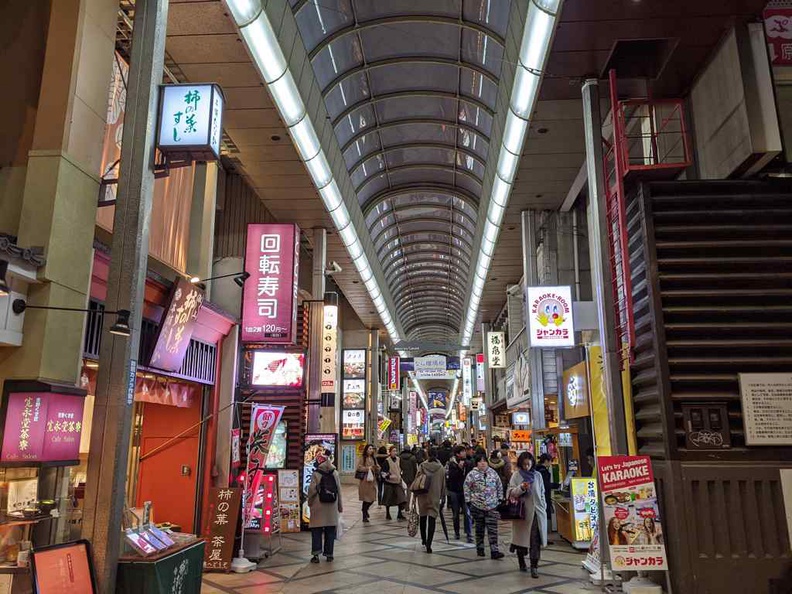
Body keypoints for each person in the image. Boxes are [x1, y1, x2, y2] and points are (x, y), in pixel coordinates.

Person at [507, 452, 547, 578]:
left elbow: (542, 492)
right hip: (522, 513)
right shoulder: (516, 475)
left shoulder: (538, 475)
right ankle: (521, 560)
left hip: (537, 512)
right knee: (522, 540)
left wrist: (543, 506)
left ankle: (534, 566)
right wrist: (521, 488)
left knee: (535, 540)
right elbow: (510, 492)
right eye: (524, 464)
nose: (526, 467)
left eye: (528, 464)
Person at [464, 453, 504, 559]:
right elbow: (466, 487)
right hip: (477, 505)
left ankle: (494, 550)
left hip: (492, 505)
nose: (482, 463)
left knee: (493, 529)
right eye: (480, 461)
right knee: (479, 528)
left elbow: (499, 485)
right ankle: (480, 548)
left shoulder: (493, 473)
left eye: (484, 461)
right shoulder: (472, 474)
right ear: (476, 463)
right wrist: (468, 501)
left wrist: (500, 498)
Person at [307, 450, 343, 563]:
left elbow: (312, 490)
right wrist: (340, 506)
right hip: (331, 506)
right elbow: (339, 490)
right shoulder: (335, 473)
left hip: (318, 506)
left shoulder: (316, 473)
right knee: (330, 531)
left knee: (316, 531)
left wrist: (310, 502)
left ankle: (316, 555)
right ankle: (329, 554)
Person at [414, 447, 446, 553]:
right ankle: (429, 544)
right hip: (435, 496)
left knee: (423, 517)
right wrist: (442, 497)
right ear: (437, 456)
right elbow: (443, 484)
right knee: (432, 519)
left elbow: (417, 480)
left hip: (423, 495)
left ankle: (423, 539)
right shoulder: (441, 468)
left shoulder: (422, 466)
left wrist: (415, 495)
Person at [446, 445, 472, 542]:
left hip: (465, 491)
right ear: (457, 454)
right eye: (462, 452)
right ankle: (457, 532)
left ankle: (468, 533)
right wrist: (459, 468)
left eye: (465, 451)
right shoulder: (451, 464)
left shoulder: (468, 463)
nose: (465, 453)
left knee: (467, 513)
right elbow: (451, 477)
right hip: (454, 491)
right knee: (455, 514)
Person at [380, 445, 407, 520]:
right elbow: (383, 472)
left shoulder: (398, 459)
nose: (395, 452)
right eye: (393, 451)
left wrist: (401, 474)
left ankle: (399, 513)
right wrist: (388, 476)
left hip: (398, 482)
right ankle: (388, 513)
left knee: (401, 498)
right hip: (389, 483)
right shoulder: (387, 461)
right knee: (388, 499)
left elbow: (401, 468)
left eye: (395, 451)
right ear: (390, 452)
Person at [356, 444, 379, 523]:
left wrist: (377, 468)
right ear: (366, 450)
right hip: (365, 481)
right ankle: (364, 514)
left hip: (372, 480)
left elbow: (377, 466)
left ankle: (366, 510)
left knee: (372, 498)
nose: (371, 450)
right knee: (366, 499)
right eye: (369, 448)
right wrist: (367, 468)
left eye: (372, 449)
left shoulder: (373, 458)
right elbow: (359, 467)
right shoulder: (363, 458)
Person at [536, 454, 560, 527]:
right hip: (544, 495)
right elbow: (546, 485)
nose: (551, 463)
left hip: (538, 495)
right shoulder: (543, 471)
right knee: (545, 513)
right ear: (546, 461)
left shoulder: (536, 469)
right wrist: (557, 485)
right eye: (550, 461)